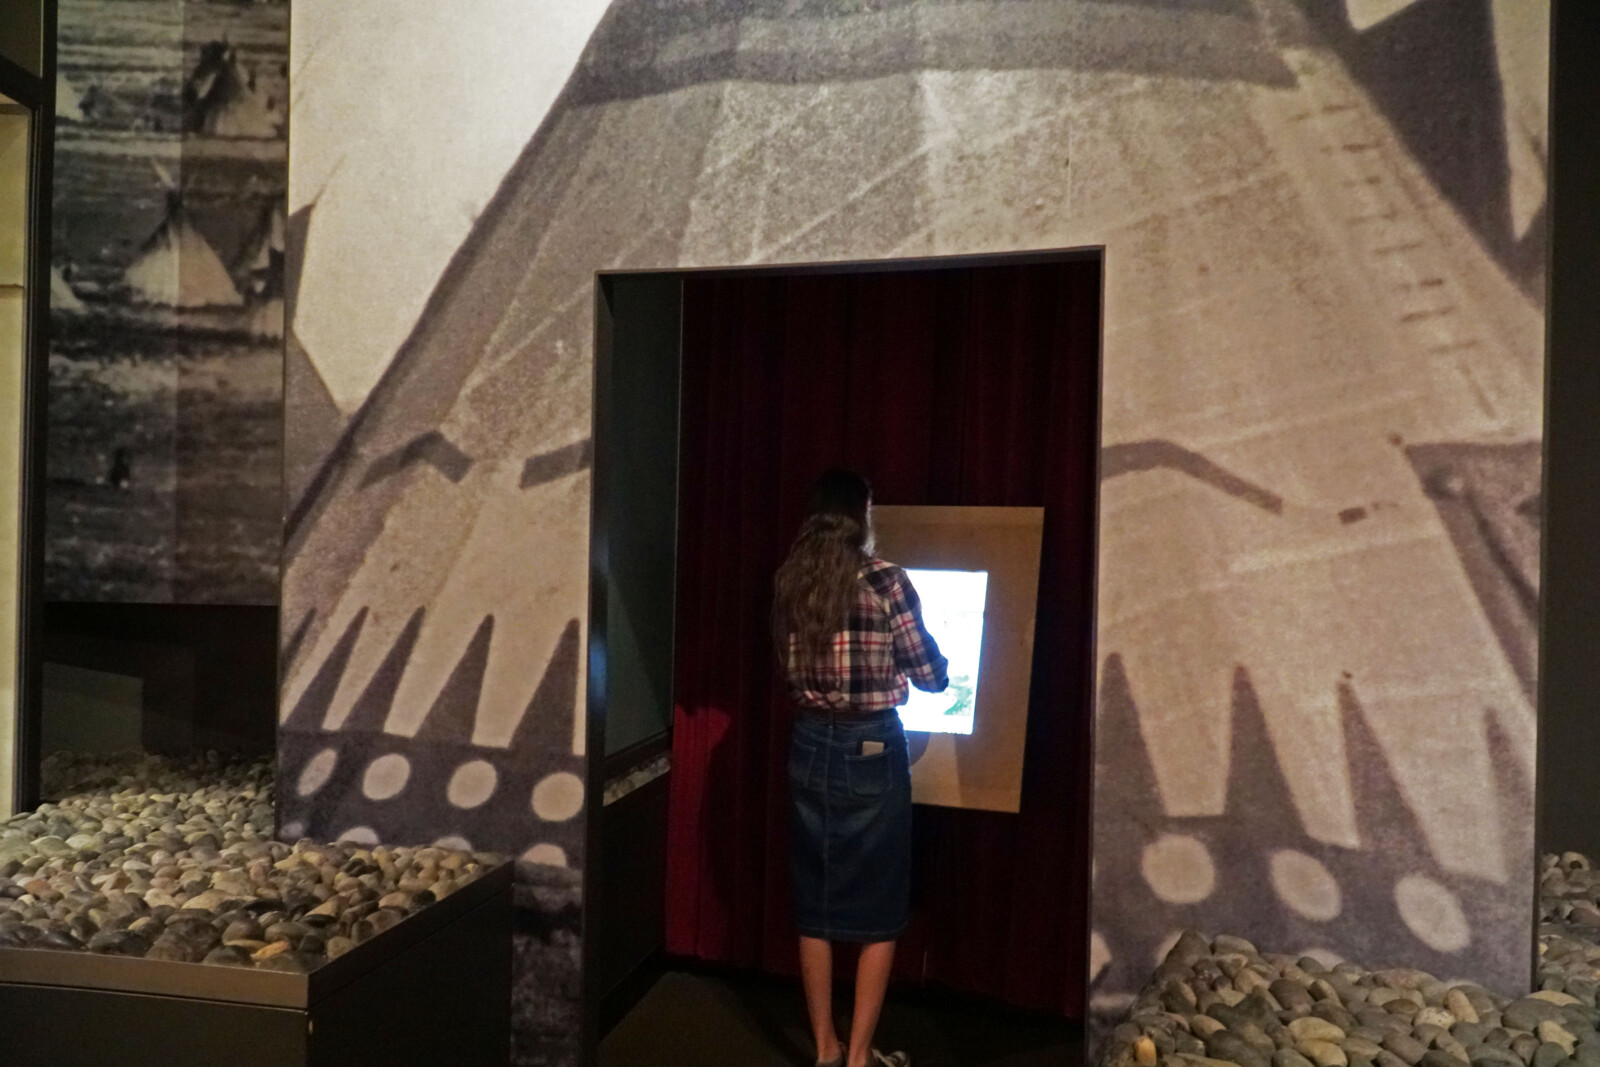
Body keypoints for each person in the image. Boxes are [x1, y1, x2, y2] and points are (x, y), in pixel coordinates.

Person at [772, 469, 949, 1067]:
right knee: (878, 908)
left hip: (807, 743)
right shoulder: (885, 580)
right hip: (870, 748)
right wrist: (912, 673)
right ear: (860, 515)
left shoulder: (789, 581)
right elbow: (930, 674)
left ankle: (825, 1049)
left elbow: (787, 667)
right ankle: (860, 1058)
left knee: (814, 904)